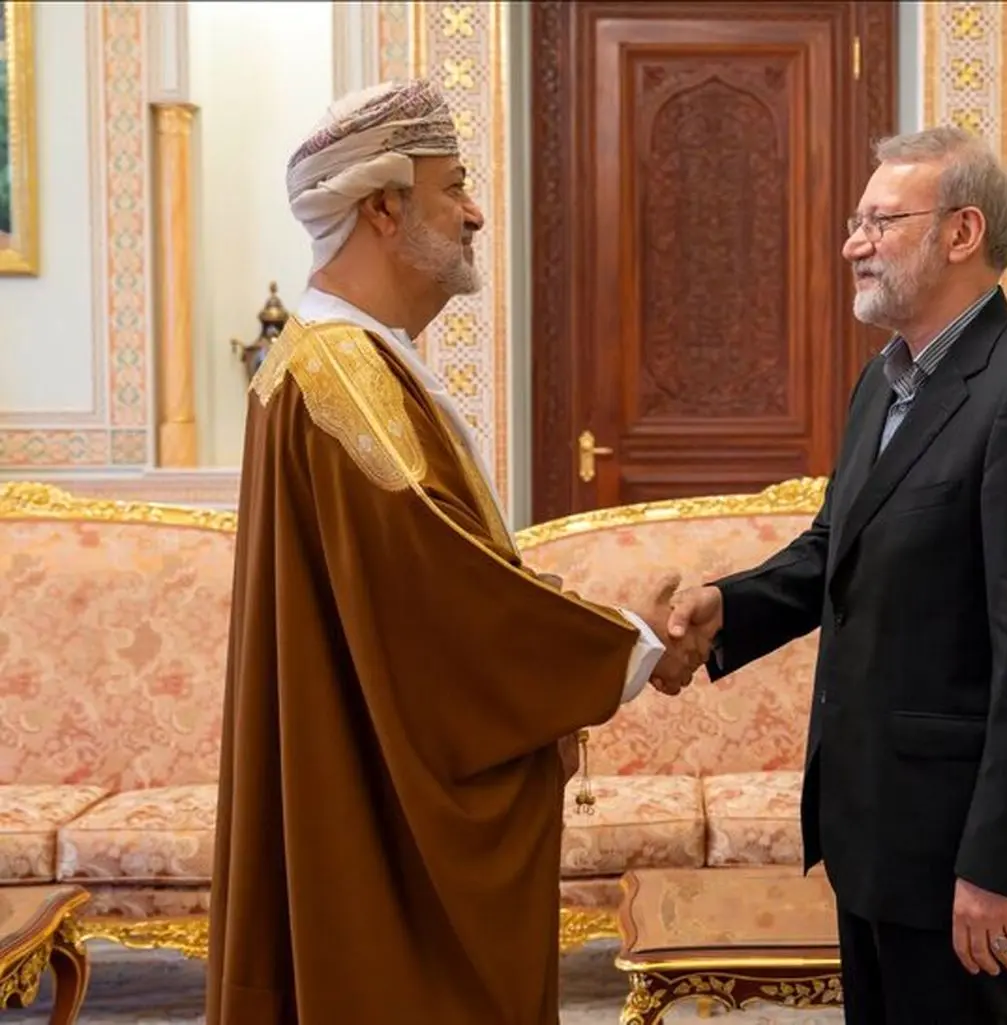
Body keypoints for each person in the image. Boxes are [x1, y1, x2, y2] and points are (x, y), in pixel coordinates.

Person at [205, 79, 699, 1025]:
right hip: (380, 815)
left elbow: (431, 573)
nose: (474, 213)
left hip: (362, 773)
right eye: (455, 186)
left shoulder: (339, 358)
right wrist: (629, 638)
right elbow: (445, 601)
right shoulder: (342, 378)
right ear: (383, 207)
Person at [667, 126, 1007, 1025]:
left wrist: (998, 866)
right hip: (873, 828)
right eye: (856, 221)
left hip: (960, 850)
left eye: (880, 221)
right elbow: (834, 547)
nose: (853, 244)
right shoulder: (884, 381)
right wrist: (728, 606)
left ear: (962, 232)